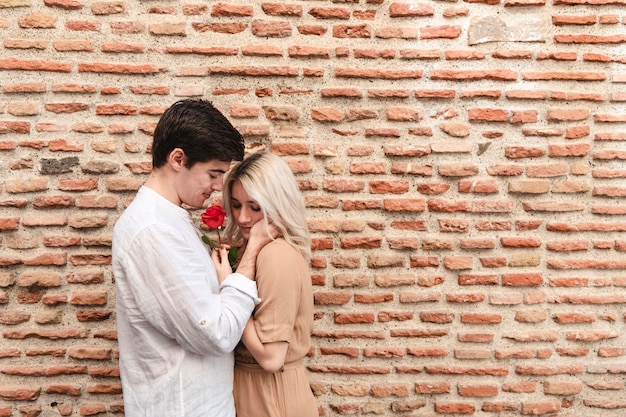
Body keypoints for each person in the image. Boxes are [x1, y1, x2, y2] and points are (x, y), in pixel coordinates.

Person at [112, 99, 273, 417]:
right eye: (213, 174)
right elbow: (215, 332)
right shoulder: (153, 230)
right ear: (177, 159)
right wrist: (252, 251)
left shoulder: (170, 219)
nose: (217, 187)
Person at [219, 152, 319, 417]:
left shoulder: (276, 255)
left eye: (254, 207)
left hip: (270, 394)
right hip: (253, 389)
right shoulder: (252, 251)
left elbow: (271, 358)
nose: (241, 218)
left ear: (278, 204)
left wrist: (229, 288)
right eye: (236, 205)